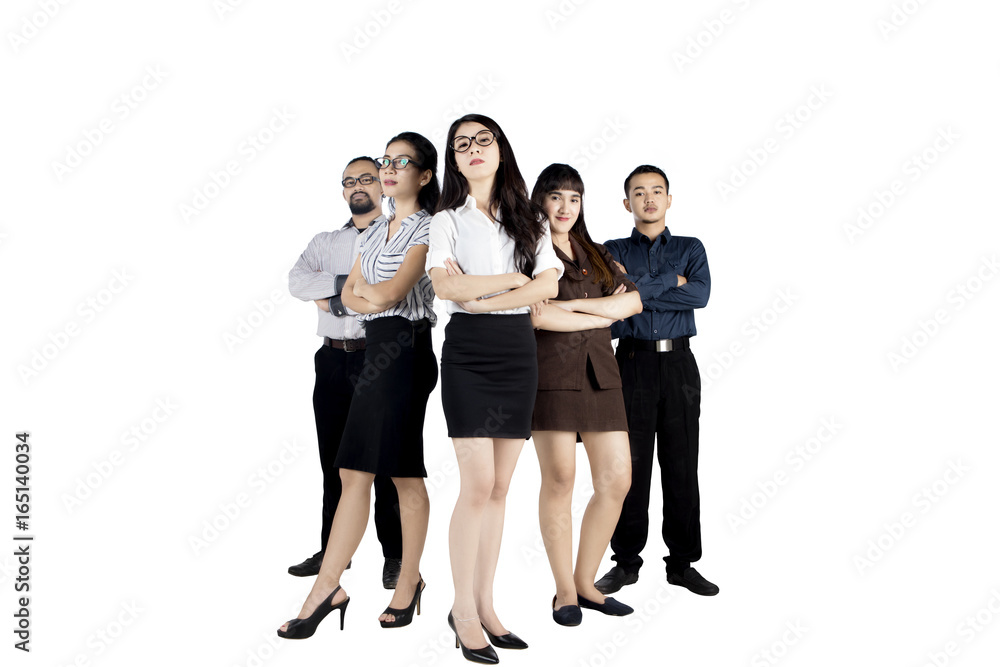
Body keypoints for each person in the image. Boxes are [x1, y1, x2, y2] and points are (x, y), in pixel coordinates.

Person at [278, 132, 440, 639]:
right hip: (376, 348)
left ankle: (406, 578)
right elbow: (351, 292)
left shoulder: (431, 227)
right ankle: (329, 585)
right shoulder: (371, 234)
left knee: (402, 475)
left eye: (399, 162)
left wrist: (364, 297)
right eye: (385, 160)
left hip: (407, 350)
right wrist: (361, 297)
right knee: (351, 470)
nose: (389, 169)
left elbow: (387, 292)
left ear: (425, 174)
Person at [427, 114, 561, 664]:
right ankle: (461, 611)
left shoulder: (530, 217)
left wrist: (484, 292)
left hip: (517, 353)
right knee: (477, 483)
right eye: (462, 144)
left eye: (484, 140)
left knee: (502, 488)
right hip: (469, 355)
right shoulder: (446, 221)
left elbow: (549, 283)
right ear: (454, 160)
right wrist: (511, 283)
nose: (473, 149)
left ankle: (486, 604)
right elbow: (445, 288)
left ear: (500, 150)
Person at [596, 165, 719, 597]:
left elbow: (699, 295)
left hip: (680, 365)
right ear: (626, 202)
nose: (649, 199)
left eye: (657, 191)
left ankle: (682, 563)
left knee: (682, 463)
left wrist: (635, 292)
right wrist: (670, 282)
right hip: (629, 364)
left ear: (669, 199)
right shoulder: (609, 249)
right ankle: (625, 562)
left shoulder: (691, 246)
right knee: (627, 467)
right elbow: (606, 305)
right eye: (639, 192)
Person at [527, 163, 641, 625]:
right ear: (540, 200)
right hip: (550, 375)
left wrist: (571, 305)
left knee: (617, 481)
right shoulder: (525, 252)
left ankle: (586, 582)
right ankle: (562, 592)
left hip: (602, 377)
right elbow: (536, 317)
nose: (565, 207)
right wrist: (602, 314)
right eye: (556, 197)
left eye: (574, 198)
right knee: (560, 482)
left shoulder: (597, 253)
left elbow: (631, 303)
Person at [287, 156, 403, 588]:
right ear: (342, 191)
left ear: (382, 186)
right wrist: (348, 291)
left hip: (380, 357)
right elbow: (297, 282)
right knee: (333, 461)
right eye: (349, 181)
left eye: (367, 179)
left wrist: (331, 298)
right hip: (333, 359)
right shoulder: (325, 241)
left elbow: (392, 294)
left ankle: (395, 556)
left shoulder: (398, 235)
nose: (358, 186)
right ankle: (333, 553)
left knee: (386, 461)